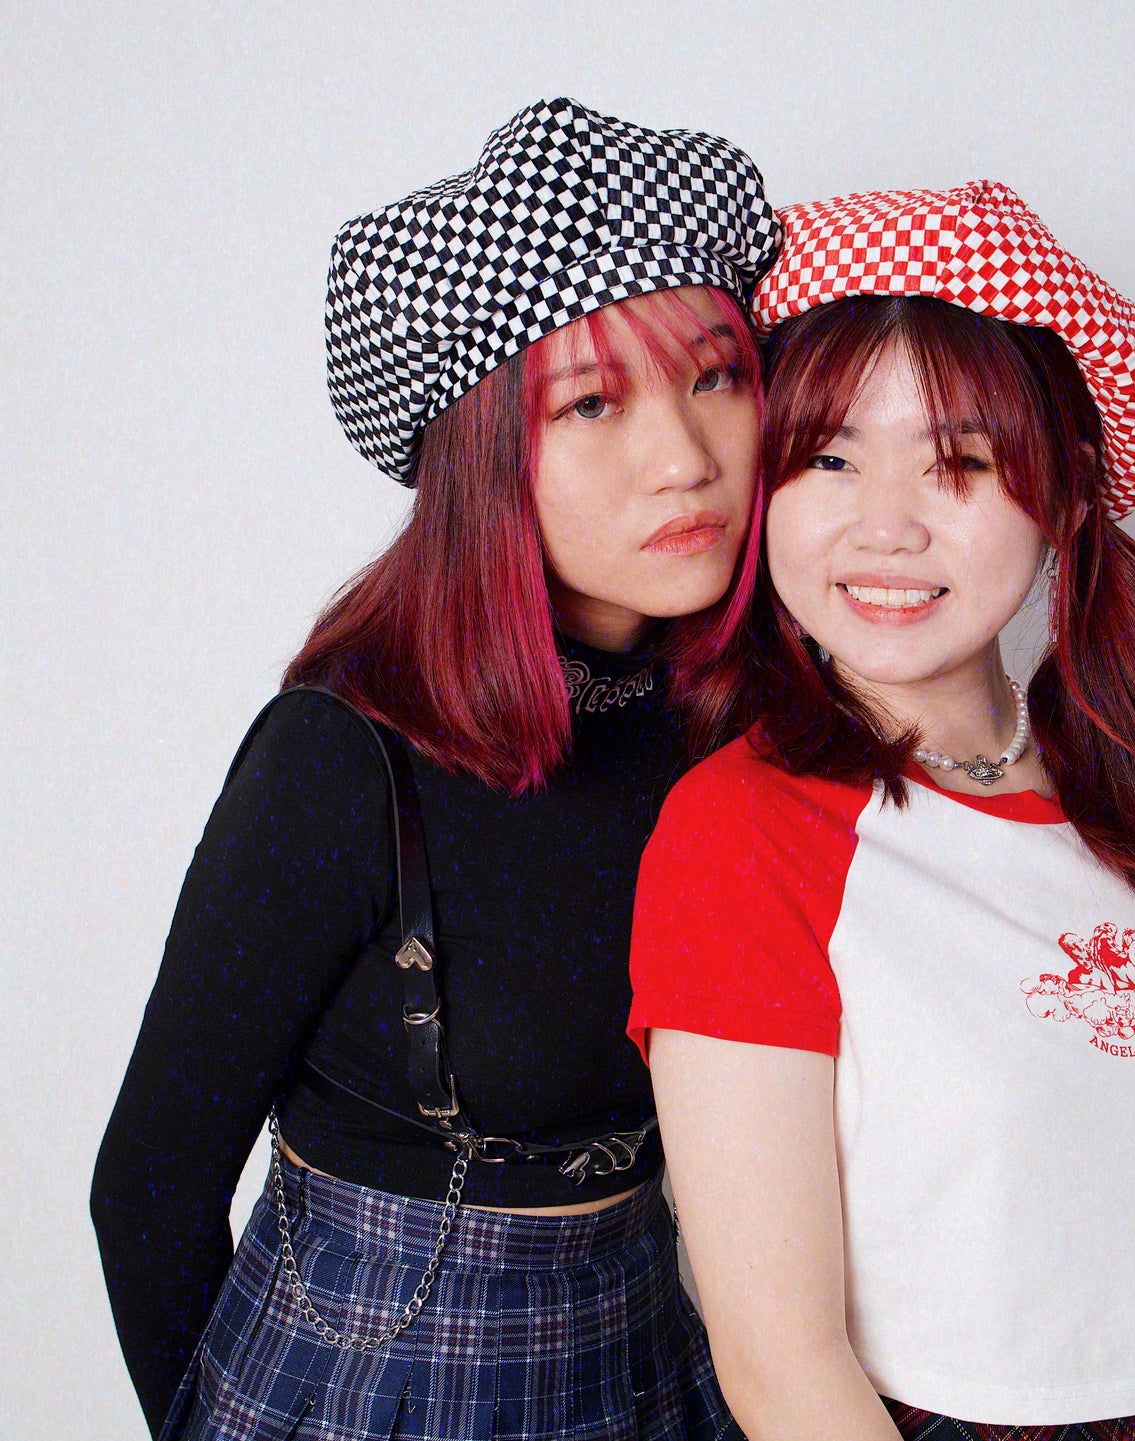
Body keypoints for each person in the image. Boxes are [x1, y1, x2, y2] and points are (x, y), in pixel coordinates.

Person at [91, 97, 779, 1441]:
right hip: (380, 1386)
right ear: (480, 455)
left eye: (715, 377)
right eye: (593, 402)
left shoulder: (732, 726)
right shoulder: (343, 757)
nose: (684, 459)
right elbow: (150, 1186)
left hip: (657, 1362)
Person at [628, 185, 1135, 1441]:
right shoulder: (746, 831)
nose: (884, 526)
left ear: (1062, 500)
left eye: (958, 464)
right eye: (828, 459)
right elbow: (778, 1361)